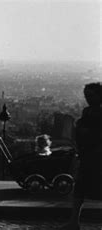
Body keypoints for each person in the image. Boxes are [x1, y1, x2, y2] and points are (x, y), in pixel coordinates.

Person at [63, 82, 102, 230]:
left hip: (95, 156)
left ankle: (74, 222)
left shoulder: (92, 113)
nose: (88, 98)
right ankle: (74, 222)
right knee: (80, 189)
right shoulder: (88, 112)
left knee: (82, 189)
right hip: (89, 156)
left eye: (91, 95)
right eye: (87, 95)